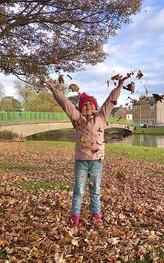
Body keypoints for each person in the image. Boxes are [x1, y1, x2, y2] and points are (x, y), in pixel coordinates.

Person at [43, 74, 130, 228]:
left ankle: (97, 216)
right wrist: (54, 89)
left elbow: (111, 100)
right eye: (85, 105)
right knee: (79, 191)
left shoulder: (101, 117)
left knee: (95, 192)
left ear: (95, 107)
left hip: (96, 162)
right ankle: (75, 218)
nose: (88, 107)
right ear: (81, 108)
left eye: (91, 105)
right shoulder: (77, 119)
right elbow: (65, 104)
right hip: (81, 162)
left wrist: (120, 85)